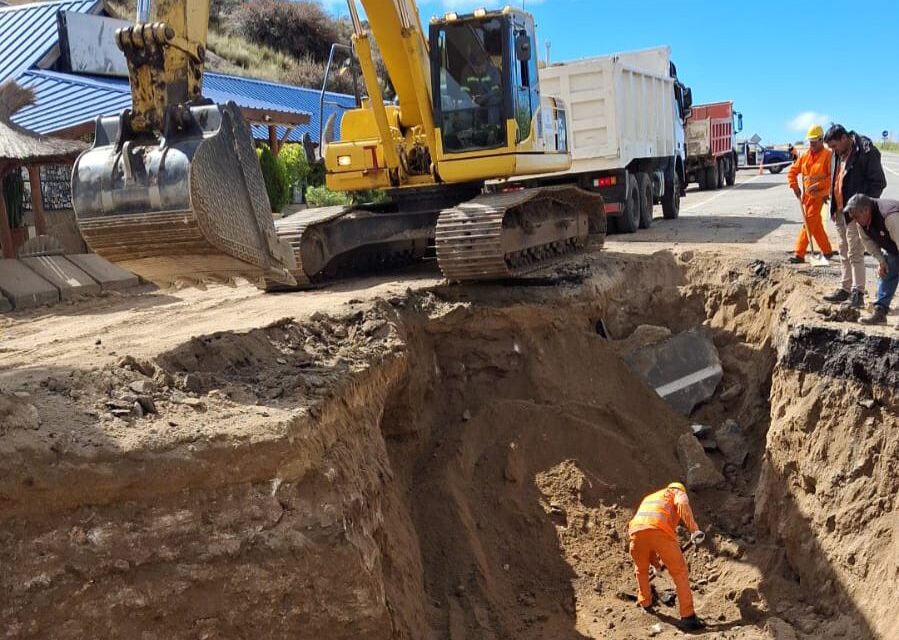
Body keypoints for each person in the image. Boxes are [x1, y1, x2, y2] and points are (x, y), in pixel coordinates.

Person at [822, 124, 888, 307]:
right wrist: (834, 205)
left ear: (844, 138)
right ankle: (845, 288)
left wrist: (864, 209)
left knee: (855, 253)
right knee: (843, 251)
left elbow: (879, 183)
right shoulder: (837, 153)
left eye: (834, 146)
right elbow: (836, 179)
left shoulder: (866, 152)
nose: (832, 150)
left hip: (856, 213)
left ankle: (858, 293)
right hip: (840, 212)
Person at [628, 482, 706, 631]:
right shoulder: (675, 492)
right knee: (679, 572)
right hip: (660, 531)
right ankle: (688, 617)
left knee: (641, 570)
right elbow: (682, 504)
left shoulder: (650, 497)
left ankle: (645, 602)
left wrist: (656, 565)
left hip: (635, 532)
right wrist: (694, 530)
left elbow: (647, 534)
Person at [843, 194, 899, 326]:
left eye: (856, 216)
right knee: (887, 271)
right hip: (894, 247)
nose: (855, 220)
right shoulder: (861, 222)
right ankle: (880, 312)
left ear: (866, 210)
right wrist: (881, 261)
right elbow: (868, 242)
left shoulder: (889, 216)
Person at [787, 125, 834, 263]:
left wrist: (819, 185)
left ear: (821, 139)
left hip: (820, 196)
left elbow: (834, 177)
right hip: (806, 197)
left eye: (814, 141)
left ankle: (799, 254)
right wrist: (794, 186)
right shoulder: (806, 156)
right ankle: (827, 250)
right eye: (810, 141)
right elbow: (792, 171)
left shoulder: (828, 156)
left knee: (808, 222)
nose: (811, 144)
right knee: (816, 224)